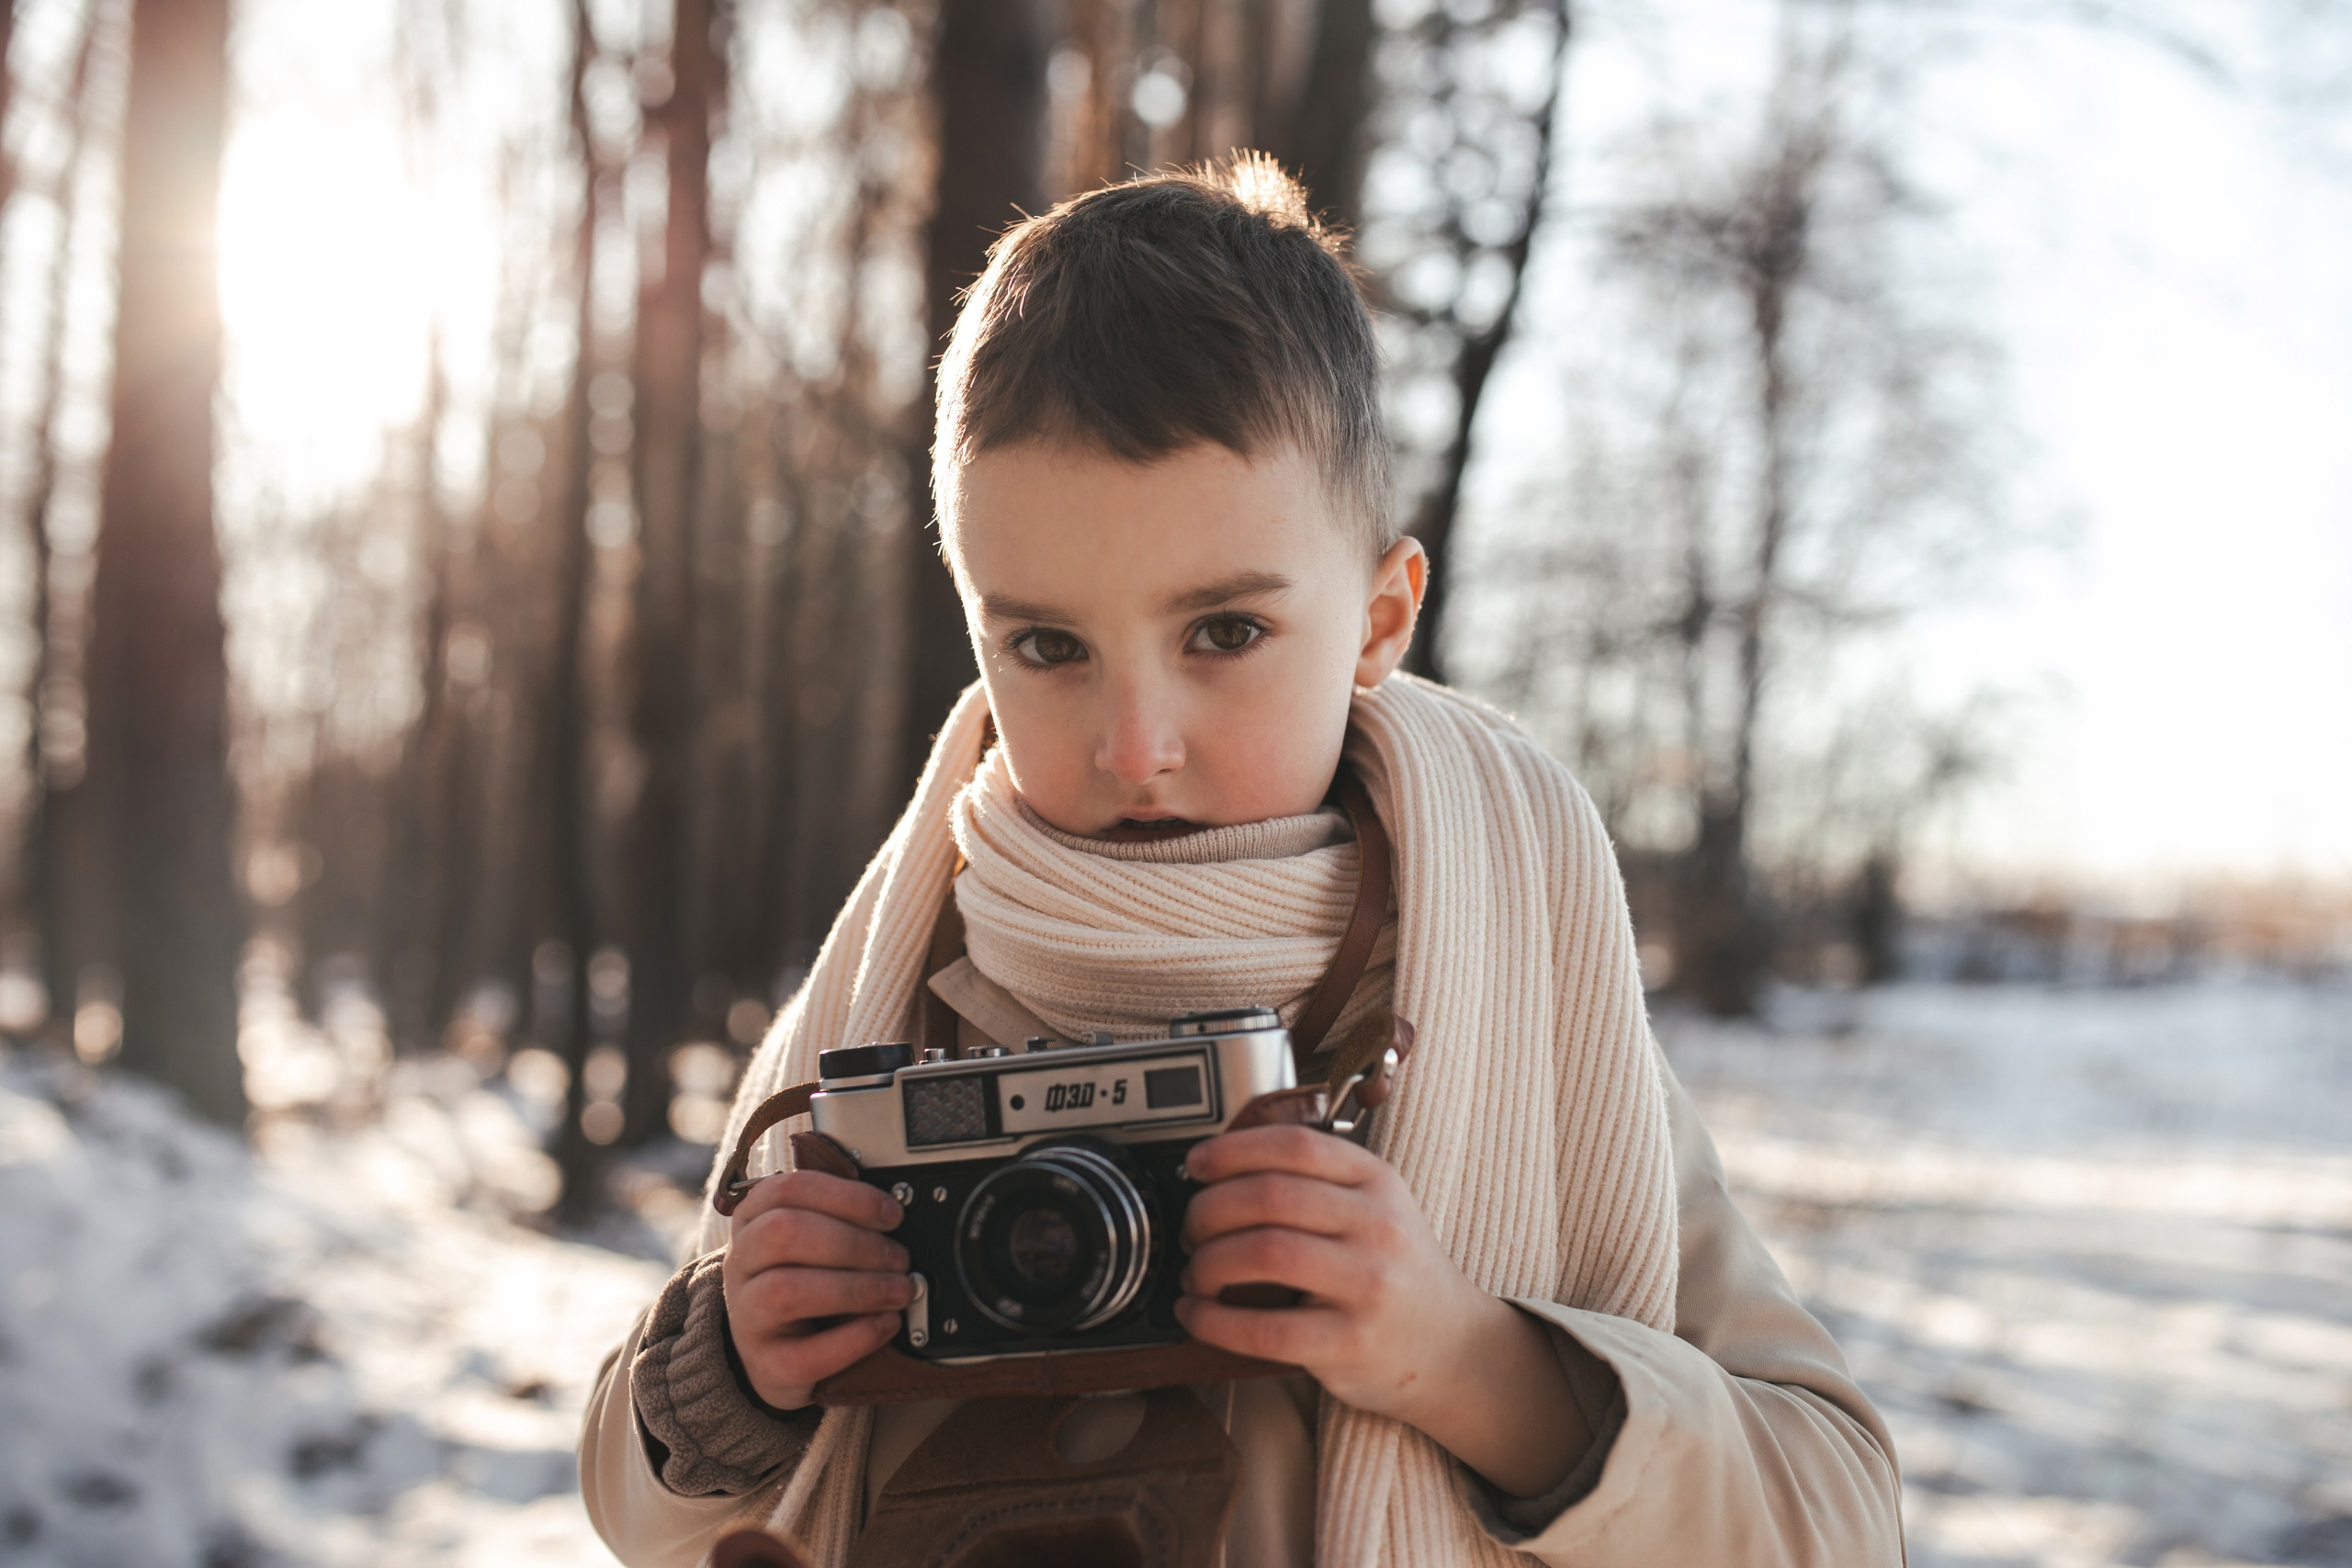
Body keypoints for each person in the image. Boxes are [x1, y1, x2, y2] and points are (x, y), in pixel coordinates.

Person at [580, 153, 1903, 1568]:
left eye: (1223, 633)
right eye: (1046, 648)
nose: (1135, 744)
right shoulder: (907, 982)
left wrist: (1464, 1360)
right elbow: (631, 1498)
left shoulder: (1508, 985)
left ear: (1382, 618)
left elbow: (1838, 1517)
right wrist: (729, 1371)